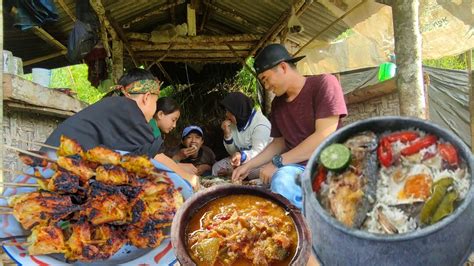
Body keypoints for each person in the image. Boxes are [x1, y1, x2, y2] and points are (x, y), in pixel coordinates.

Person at [231, 44, 348, 209]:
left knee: (281, 180)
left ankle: (308, 228)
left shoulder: (324, 84)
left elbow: (324, 136)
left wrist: (279, 163)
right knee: (256, 192)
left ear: (283, 67)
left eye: (265, 78)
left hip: (329, 165)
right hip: (296, 168)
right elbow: (279, 143)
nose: (266, 86)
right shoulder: (278, 104)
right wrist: (248, 165)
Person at [42, 68, 199, 189]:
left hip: (40, 175)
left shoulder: (111, 107)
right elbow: (155, 157)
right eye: (155, 102)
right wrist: (189, 178)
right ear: (146, 98)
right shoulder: (130, 112)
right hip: (54, 182)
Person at [212, 92, 272, 179]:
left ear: (239, 110)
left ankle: (234, 175)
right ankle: (233, 176)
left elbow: (259, 153)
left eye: (229, 111)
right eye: (226, 111)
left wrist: (242, 156)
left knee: (257, 172)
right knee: (216, 168)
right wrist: (227, 135)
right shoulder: (235, 122)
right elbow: (232, 153)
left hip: (261, 161)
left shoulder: (261, 125)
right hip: (242, 160)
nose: (226, 115)